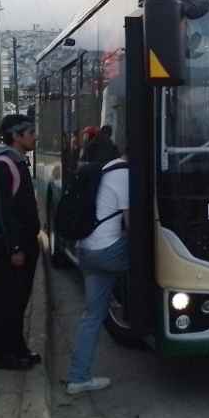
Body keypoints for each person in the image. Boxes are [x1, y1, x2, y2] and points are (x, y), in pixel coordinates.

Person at [65, 151, 133, 395]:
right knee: (158, 255)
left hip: (86, 250)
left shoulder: (105, 169)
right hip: (107, 253)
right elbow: (133, 223)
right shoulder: (125, 175)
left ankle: (78, 378)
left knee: (92, 316)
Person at [0, 114, 42, 370]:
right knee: (7, 300)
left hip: (24, 242)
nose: (35, 137)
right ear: (16, 136)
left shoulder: (16, 160)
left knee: (19, 300)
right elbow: (4, 211)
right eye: (30, 133)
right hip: (12, 246)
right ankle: (4, 355)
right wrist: (14, 248)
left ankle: (18, 349)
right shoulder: (2, 163)